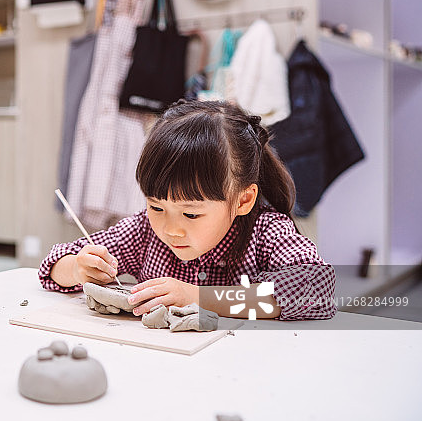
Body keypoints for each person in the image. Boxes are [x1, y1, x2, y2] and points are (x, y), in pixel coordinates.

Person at [40, 100, 336, 320]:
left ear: (243, 201)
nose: (171, 229)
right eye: (156, 206)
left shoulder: (266, 232)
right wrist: (78, 268)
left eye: (191, 213)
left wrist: (196, 297)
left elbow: (315, 289)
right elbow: (51, 265)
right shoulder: (144, 230)